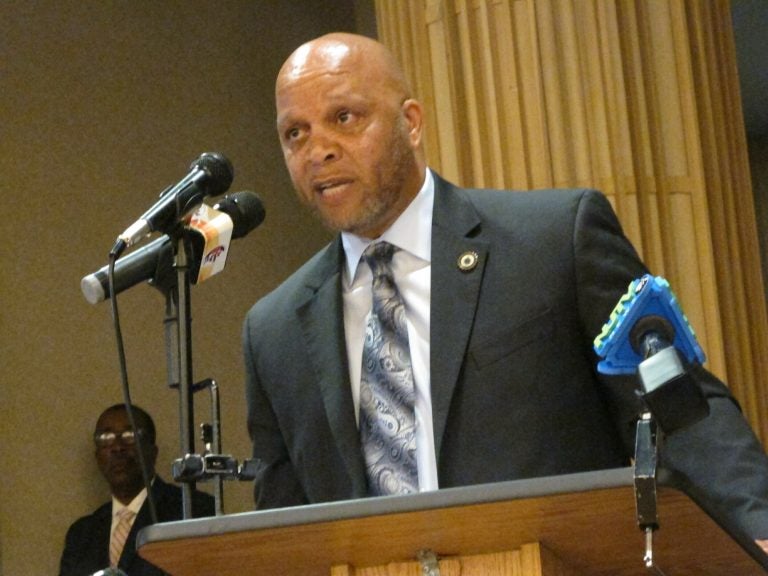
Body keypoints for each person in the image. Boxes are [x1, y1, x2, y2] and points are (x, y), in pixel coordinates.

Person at [242, 32, 768, 550]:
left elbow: (681, 410)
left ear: (411, 122)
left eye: (344, 118)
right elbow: (286, 523)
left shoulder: (554, 241)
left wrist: (756, 530)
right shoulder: (274, 330)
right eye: (295, 133)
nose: (319, 151)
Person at [59, 404, 214, 576]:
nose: (118, 447)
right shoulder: (81, 534)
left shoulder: (192, 509)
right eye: (106, 438)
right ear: (97, 457)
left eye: (130, 435)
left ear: (153, 451)